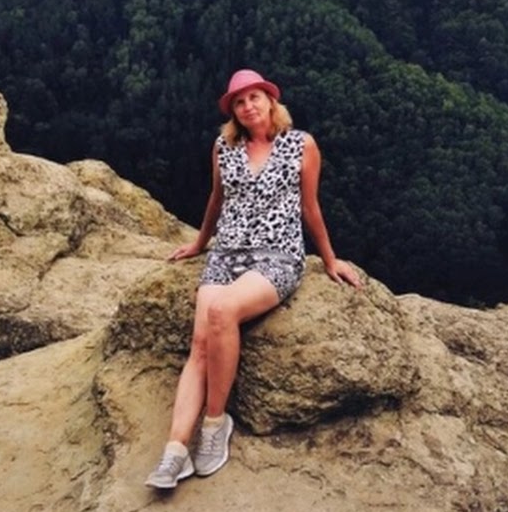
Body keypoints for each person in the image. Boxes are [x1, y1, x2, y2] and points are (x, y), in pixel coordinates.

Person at [145, 68, 362, 489]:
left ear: (270, 100)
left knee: (222, 311)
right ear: (233, 112)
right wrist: (200, 244)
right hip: (226, 254)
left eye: (254, 98)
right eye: (239, 102)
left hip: (278, 256)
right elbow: (217, 198)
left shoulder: (301, 144)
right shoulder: (224, 147)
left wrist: (330, 260)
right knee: (199, 344)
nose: (247, 107)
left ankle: (215, 423)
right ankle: (174, 451)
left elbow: (310, 206)